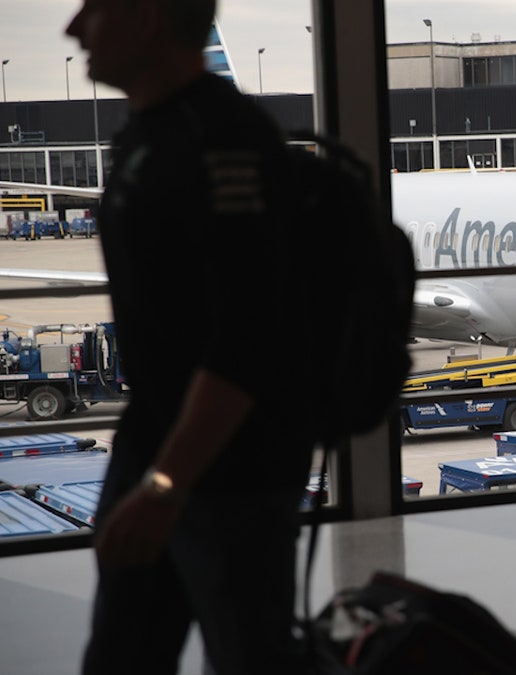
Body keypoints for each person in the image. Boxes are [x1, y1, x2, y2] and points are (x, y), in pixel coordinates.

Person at [67, 0, 316, 672]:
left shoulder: (225, 140)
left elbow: (246, 338)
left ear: (147, 19)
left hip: (227, 472)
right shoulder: (144, 136)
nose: (73, 27)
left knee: (247, 656)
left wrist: (165, 484)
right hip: (155, 452)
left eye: (92, 9)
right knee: (121, 653)